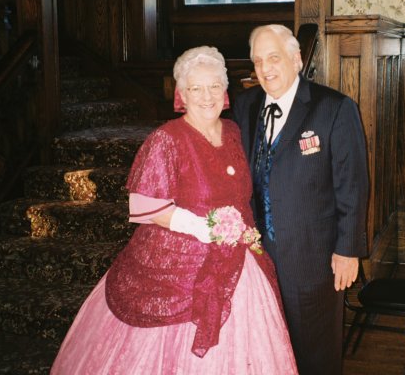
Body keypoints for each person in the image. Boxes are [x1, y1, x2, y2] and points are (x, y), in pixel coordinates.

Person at [51, 46, 298, 374]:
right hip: (180, 263)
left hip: (241, 258)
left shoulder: (235, 132)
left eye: (214, 86)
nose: (207, 96)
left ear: (225, 91)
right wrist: (202, 228)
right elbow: (143, 205)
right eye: (196, 88)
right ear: (182, 94)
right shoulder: (166, 138)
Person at [233, 24, 369, 375]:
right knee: (268, 348)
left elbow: (352, 184)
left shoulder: (334, 108)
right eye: (258, 61)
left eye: (274, 57)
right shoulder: (245, 105)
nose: (265, 68)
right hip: (258, 258)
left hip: (313, 258)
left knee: (315, 352)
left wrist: (348, 250)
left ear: (296, 59)